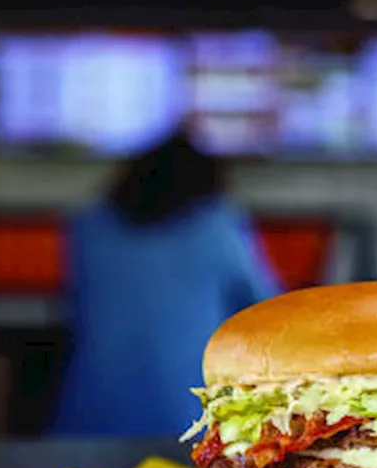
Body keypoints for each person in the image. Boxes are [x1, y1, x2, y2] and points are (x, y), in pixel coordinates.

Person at [50, 129, 280, 436]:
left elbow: (78, 309)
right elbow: (270, 309)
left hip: (85, 425)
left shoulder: (88, 226)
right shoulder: (217, 226)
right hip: (190, 424)